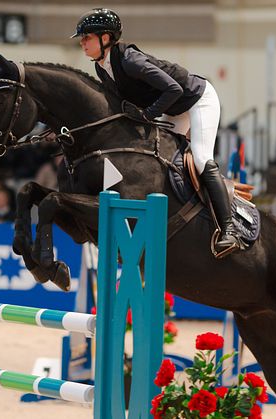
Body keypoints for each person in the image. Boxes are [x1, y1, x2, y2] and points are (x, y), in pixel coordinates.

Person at [71, 8, 239, 256]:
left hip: (197, 98)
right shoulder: (102, 68)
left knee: (201, 158)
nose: (83, 43)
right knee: (161, 156)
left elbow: (173, 89)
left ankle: (229, 229)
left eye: (87, 37)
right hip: (173, 107)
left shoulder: (130, 60)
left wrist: (148, 115)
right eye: (83, 38)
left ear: (105, 38)